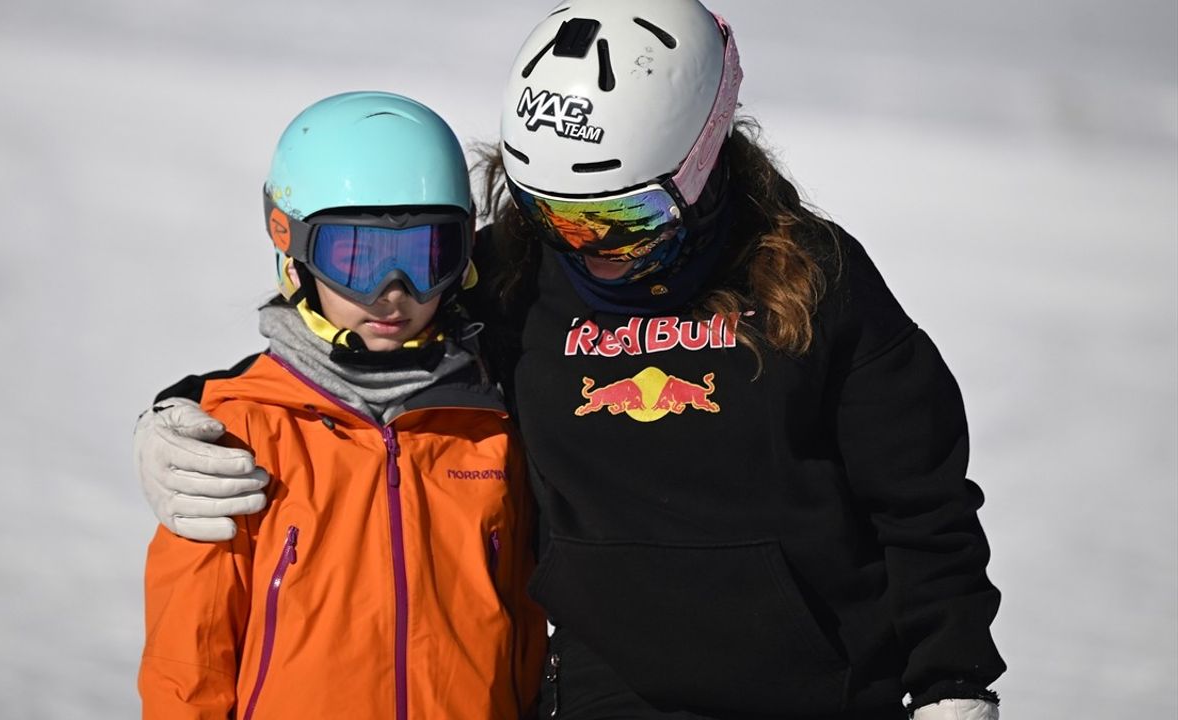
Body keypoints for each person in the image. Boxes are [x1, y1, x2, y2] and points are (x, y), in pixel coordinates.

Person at [135, 2, 1005, 718]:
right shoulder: (517, 276)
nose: (583, 250)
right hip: (603, 698)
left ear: (698, 169)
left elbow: (921, 500)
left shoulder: (812, 280)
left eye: (616, 222)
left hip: (816, 694)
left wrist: (953, 679)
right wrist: (177, 417)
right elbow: (354, 351)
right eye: (551, 212)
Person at [136, 91, 546, 719]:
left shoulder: (489, 425)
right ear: (292, 247)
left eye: (425, 258)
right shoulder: (238, 435)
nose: (393, 295)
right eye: (356, 259)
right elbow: (189, 659)